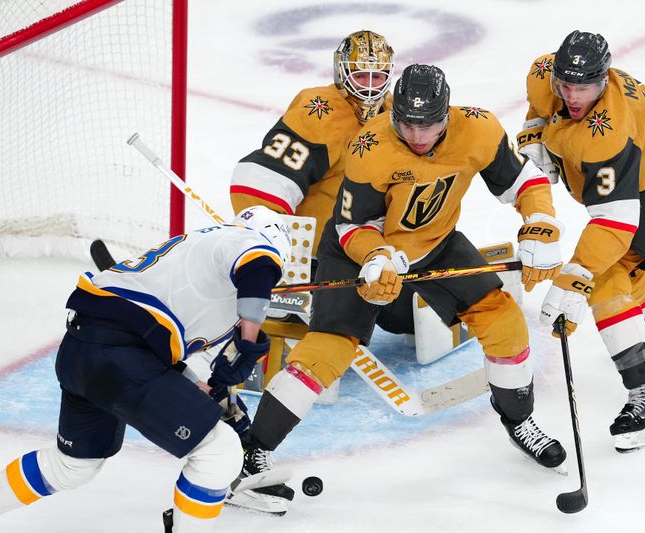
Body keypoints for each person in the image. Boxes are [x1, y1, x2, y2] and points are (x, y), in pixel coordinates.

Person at [231, 63, 570, 493]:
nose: (416, 136)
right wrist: (375, 258)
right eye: (406, 123)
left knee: (502, 318)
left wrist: (540, 221)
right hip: (360, 252)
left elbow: (524, 179)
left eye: (427, 124)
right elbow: (352, 225)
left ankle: (520, 422)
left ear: (447, 112)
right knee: (328, 350)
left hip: (435, 242)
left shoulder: (479, 129)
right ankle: (254, 450)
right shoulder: (370, 146)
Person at [0, 206, 292, 532]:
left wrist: (193, 384)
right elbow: (258, 266)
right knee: (219, 452)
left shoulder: (196, 257)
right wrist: (248, 339)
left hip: (83, 348)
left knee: (72, 465)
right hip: (118, 354)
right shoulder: (249, 243)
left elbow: (156, 349)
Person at [518, 30, 645, 452]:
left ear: (604, 80)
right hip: (637, 174)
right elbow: (537, 106)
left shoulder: (609, 132)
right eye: (566, 85)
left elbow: (613, 222)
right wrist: (533, 136)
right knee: (624, 273)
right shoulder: (544, 73)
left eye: (583, 87)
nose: (573, 96)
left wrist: (576, 275)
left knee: (606, 279)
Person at [229, 29, 416, 336]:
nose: (370, 88)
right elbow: (261, 181)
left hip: (370, 247)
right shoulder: (319, 111)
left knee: (409, 311)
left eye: (378, 77)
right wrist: (273, 262)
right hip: (318, 259)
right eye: (361, 77)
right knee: (344, 326)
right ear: (343, 72)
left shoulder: (393, 116)